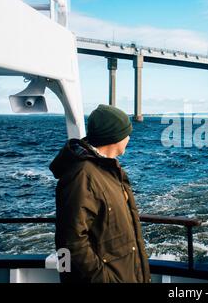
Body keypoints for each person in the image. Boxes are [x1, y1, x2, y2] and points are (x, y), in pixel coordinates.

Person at [49, 104, 151, 283]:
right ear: (114, 137)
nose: (129, 138)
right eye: (127, 133)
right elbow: (72, 242)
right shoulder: (82, 176)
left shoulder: (106, 169)